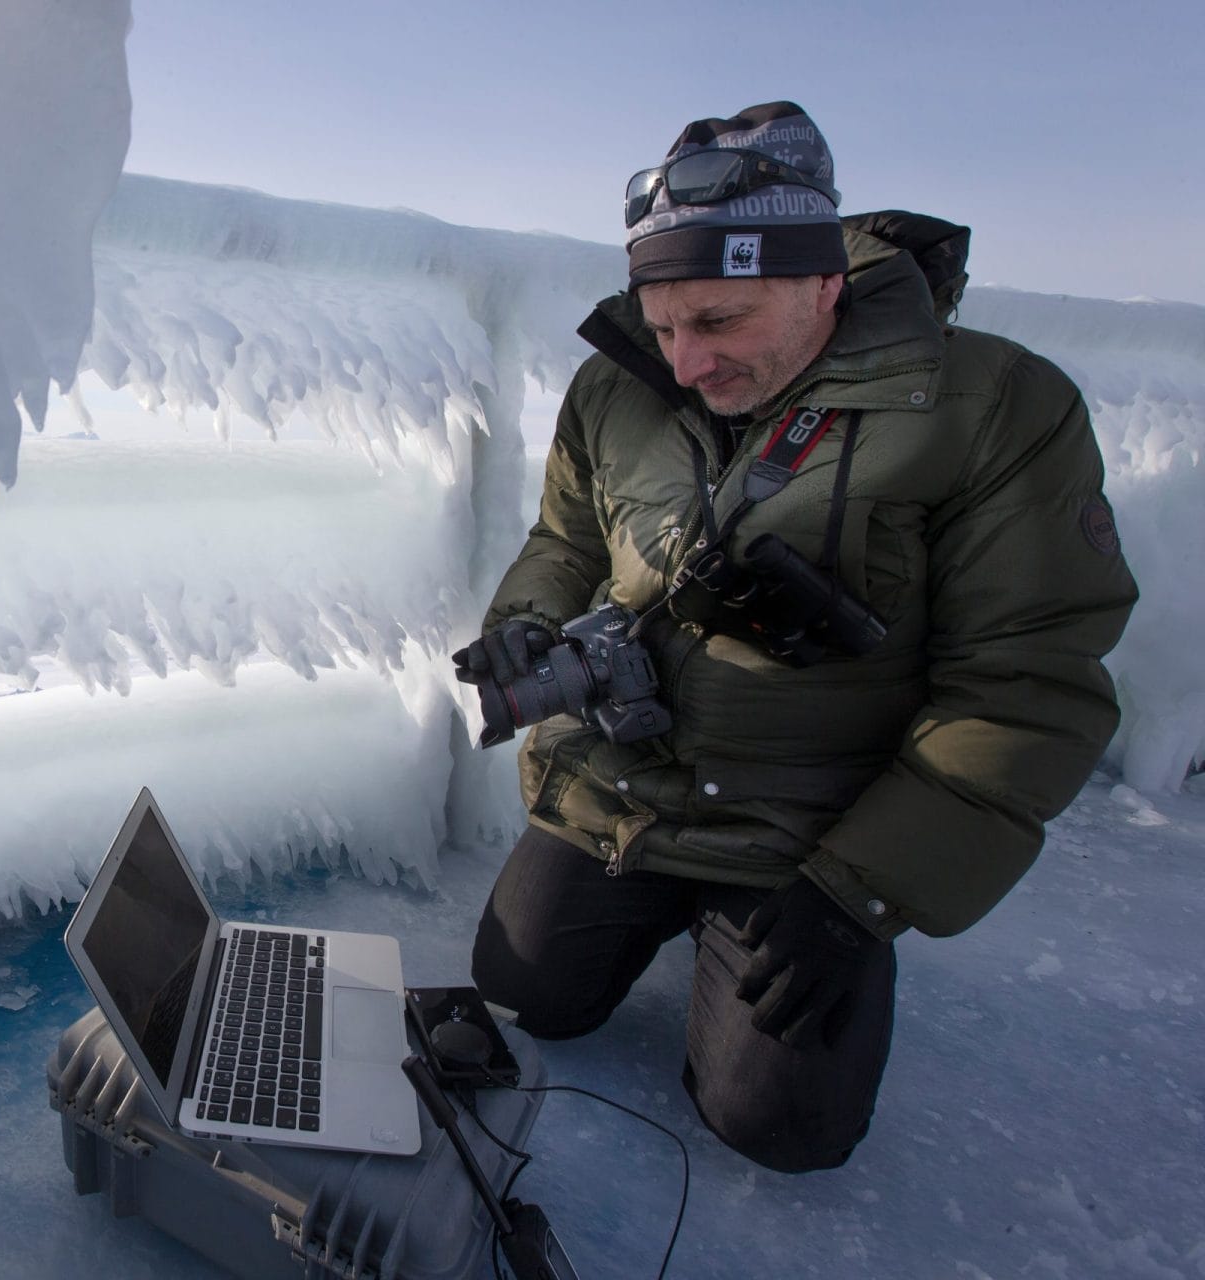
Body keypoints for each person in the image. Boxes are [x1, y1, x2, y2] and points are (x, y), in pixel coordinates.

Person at [460, 102, 1137, 1173]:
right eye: (665, 321)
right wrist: (526, 624)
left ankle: (802, 939)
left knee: (778, 1123)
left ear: (825, 281)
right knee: (520, 989)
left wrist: (861, 888)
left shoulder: (995, 406)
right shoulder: (614, 383)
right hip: (626, 792)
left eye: (720, 323)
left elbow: (1026, 683)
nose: (683, 362)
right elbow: (566, 536)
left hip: (807, 831)